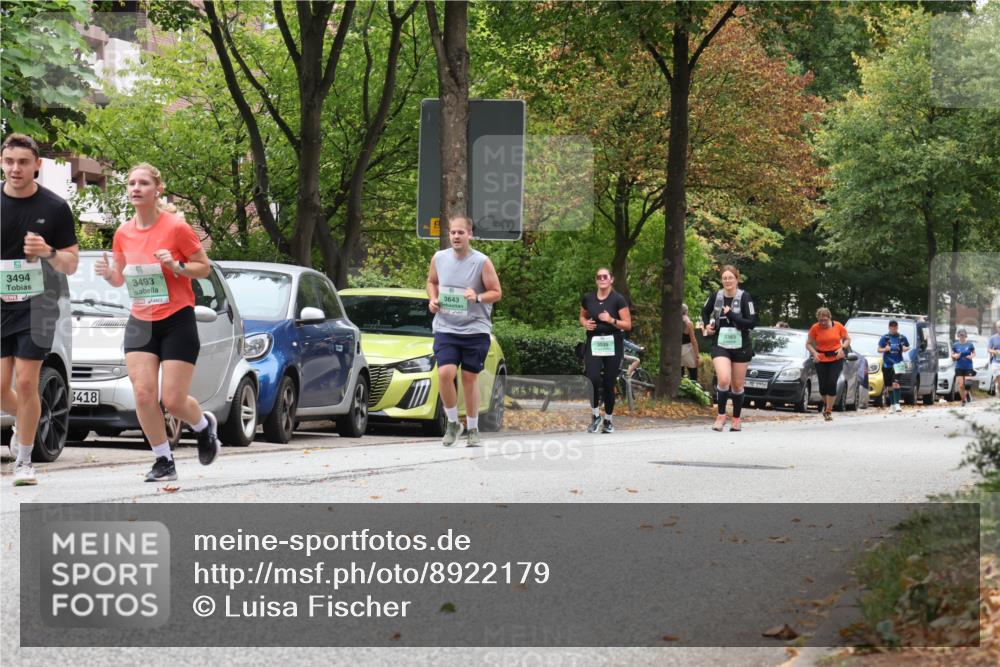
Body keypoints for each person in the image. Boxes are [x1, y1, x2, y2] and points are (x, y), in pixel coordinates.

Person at [94, 163, 219, 481]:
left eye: (144, 183)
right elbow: (121, 278)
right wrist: (110, 275)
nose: (136, 188)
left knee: (173, 400)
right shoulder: (123, 232)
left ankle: (204, 426)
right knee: (143, 394)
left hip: (177, 319)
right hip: (141, 319)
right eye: (132, 183)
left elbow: (203, 268)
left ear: (157, 190)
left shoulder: (176, 227)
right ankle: (163, 460)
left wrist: (177, 265)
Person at [0, 133, 80, 486]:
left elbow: (72, 264)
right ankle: (28, 419)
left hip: (39, 303)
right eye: (9, 161)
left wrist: (48, 251)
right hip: (1, 303)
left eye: (23, 162)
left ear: (37, 166)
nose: (15, 169)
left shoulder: (55, 208)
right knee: (1, 389)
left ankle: (24, 460)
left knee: (27, 380)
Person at [427, 216, 502, 447]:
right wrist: (433, 300)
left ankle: (473, 428)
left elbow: (496, 292)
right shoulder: (439, 258)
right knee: (445, 374)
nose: (456, 236)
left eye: (461, 232)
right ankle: (452, 424)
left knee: (469, 378)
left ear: (470, 234)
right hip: (446, 327)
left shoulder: (482, 262)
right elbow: (432, 282)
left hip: (475, 329)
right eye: (453, 233)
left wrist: (477, 297)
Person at [701, 265, 758, 432]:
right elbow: (705, 312)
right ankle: (720, 416)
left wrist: (732, 315)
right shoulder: (716, 296)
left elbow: (752, 323)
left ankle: (736, 418)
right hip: (721, 342)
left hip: (741, 344)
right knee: (724, 379)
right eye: (724, 278)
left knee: (737, 386)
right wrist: (707, 325)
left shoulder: (745, 297)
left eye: (730, 278)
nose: (727, 281)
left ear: (736, 279)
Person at [579, 267, 631, 433]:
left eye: (605, 276)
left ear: (611, 279)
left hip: (612, 342)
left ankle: (608, 419)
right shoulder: (588, 298)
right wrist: (585, 323)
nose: (602, 279)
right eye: (598, 277)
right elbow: (582, 316)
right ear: (596, 280)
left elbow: (628, 324)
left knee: (609, 382)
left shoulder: (618, 300)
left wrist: (611, 319)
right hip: (594, 341)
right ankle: (595, 416)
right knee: (592, 378)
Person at [806, 308, 851, 422]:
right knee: (823, 387)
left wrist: (842, 348)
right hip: (821, 359)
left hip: (836, 358)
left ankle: (828, 410)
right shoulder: (815, 328)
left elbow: (847, 339)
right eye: (820, 320)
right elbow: (809, 344)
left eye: (825, 320)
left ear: (830, 318)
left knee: (831, 382)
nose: (823, 323)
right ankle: (826, 404)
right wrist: (815, 353)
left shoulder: (838, 326)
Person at [877, 319, 910, 413]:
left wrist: (905, 348)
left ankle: (897, 404)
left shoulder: (902, 337)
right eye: (891, 326)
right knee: (889, 386)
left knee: (896, 383)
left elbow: (907, 347)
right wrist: (885, 349)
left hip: (899, 363)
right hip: (887, 364)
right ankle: (892, 405)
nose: (893, 328)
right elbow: (879, 349)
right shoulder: (885, 337)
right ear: (889, 327)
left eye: (895, 326)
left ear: (897, 327)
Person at [951, 328, 976, 406]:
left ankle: (967, 394)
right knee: (961, 385)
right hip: (959, 367)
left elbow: (974, 353)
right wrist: (955, 356)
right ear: (958, 336)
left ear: (966, 336)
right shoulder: (955, 345)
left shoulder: (970, 344)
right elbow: (952, 355)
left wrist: (971, 356)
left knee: (968, 384)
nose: (962, 337)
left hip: (968, 366)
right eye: (960, 335)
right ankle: (963, 400)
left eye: (963, 335)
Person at [681, 304, 699, 383]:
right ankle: (693, 390)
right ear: (686, 312)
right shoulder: (689, 323)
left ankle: (680, 390)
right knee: (693, 372)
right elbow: (693, 340)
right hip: (687, 349)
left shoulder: (674, 322)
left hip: (676, 350)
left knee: (680, 372)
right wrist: (697, 355)